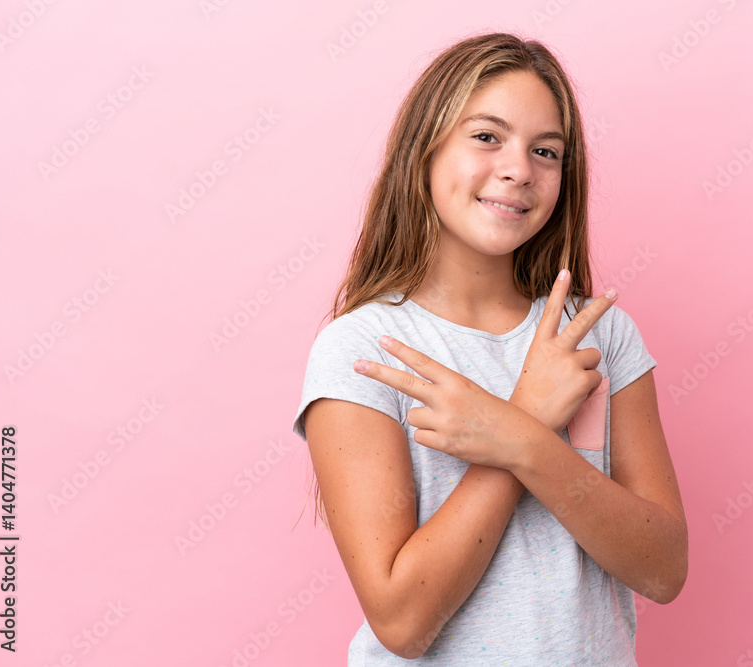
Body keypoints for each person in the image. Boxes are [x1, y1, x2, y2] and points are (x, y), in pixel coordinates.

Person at [291, 31, 687, 665]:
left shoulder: (599, 336)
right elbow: (403, 621)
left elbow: (664, 570)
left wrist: (523, 442)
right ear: (425, 148)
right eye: (486, 136)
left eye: (546, 151)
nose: (518, 169)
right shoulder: (365, 350)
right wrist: (528, 418)